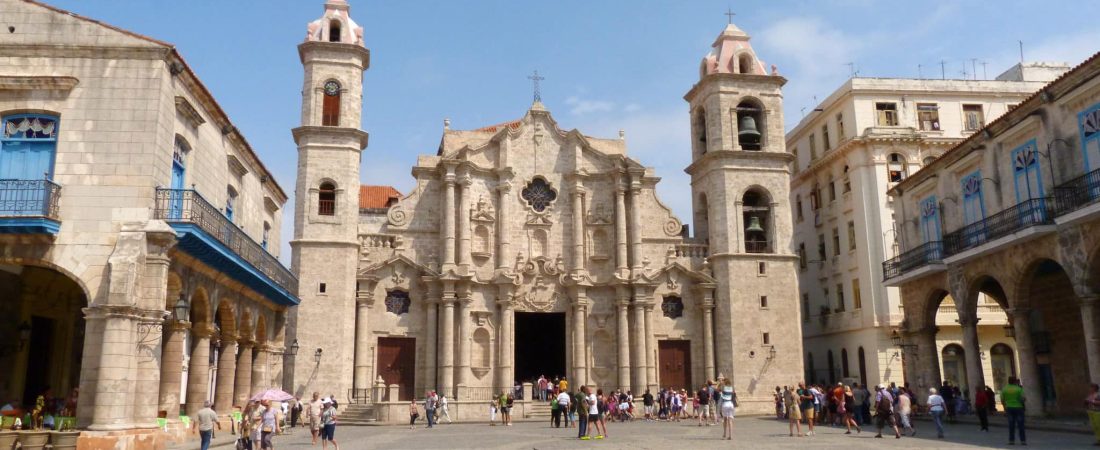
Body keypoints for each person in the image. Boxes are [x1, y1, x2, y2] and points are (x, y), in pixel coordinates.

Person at [1002, 376, 1027, 446]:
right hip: (1018, 408)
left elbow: (1002, 400)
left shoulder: (1004, 389)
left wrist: (1005, 407)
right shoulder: (1019, 389)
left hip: (1009, 408)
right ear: (1015, 381)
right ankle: (1023, 441)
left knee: (1011, 425)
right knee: (1021, 425)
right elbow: (1023, 399)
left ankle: (1011, 440)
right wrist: (1022, 402)